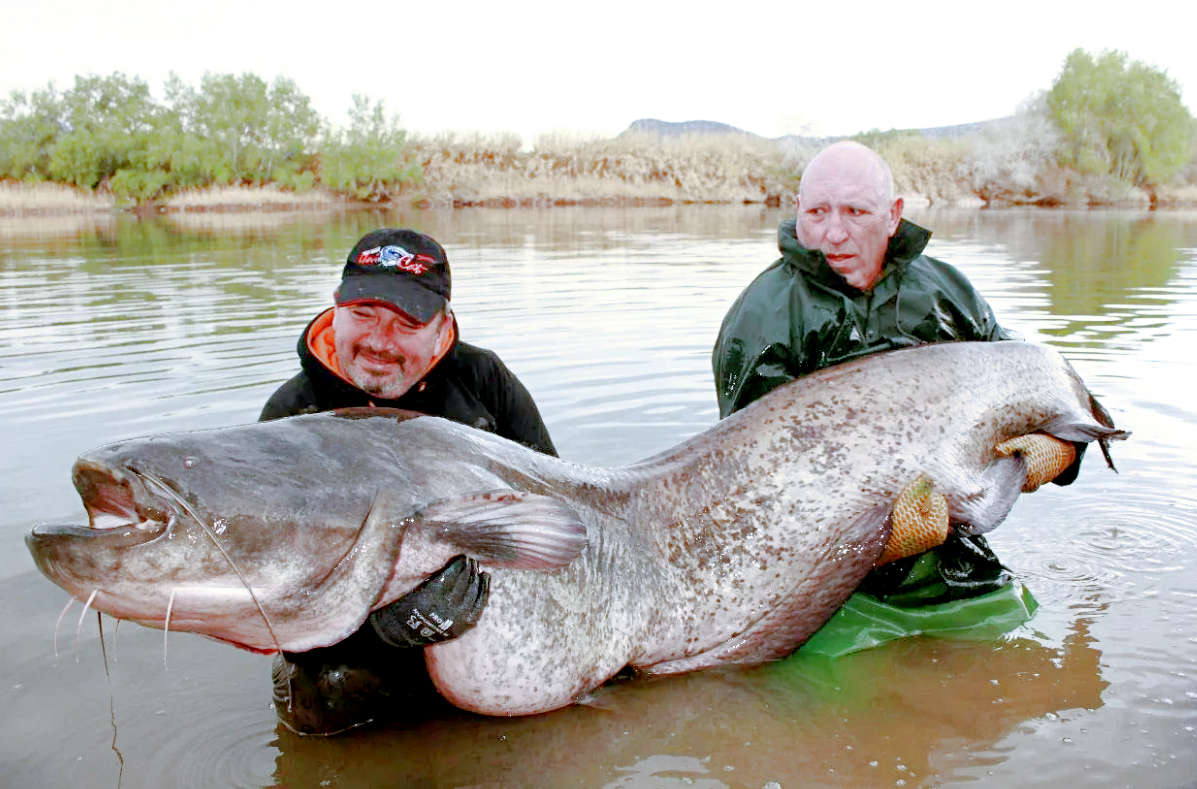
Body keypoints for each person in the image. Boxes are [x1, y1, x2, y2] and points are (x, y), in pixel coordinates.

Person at [712, 141, 1037, 653]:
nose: (833, 233)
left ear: (893, 216)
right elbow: (758, 500)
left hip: (958, 566)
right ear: (797, 212)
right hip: (827, 589)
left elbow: (1022, 378)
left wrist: (1057, 450)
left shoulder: (947, 292)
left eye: (855, 212)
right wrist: (879, 542)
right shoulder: (762, 319)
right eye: (817, 212)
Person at [262, 228, 558, 734]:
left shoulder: (485, 383)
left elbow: (556, 517)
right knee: (323, 693)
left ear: (442, 328)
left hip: (488, 606)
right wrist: (392, 627)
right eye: (364, 315)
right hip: (359, 641)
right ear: (336, 307)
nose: (379, 341)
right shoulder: (292, 415)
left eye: (407, 322)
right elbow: (279, 599)